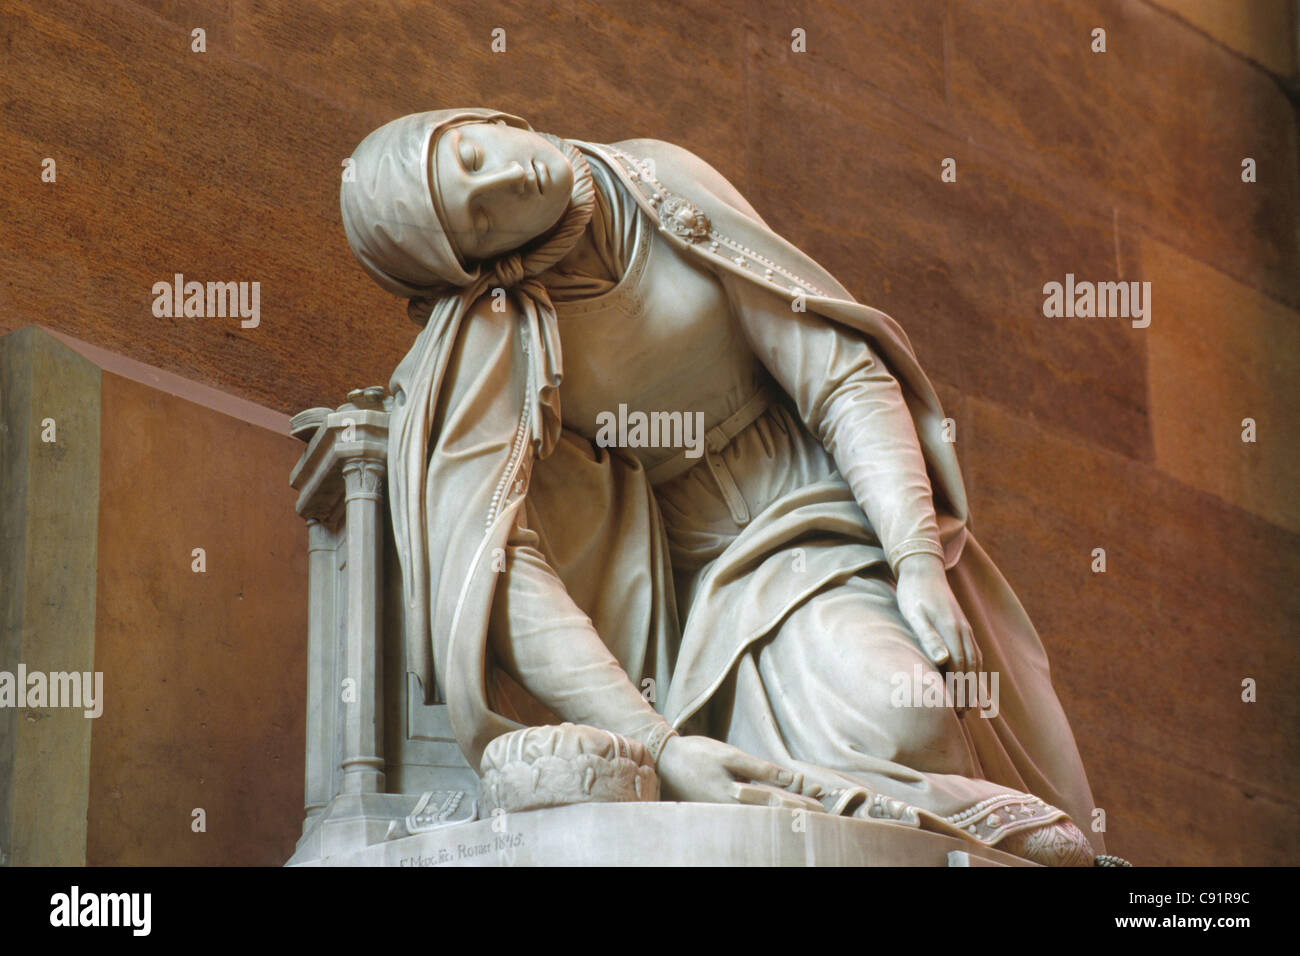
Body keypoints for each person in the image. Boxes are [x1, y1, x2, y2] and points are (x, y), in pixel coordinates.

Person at [340, 108, 1112, 866]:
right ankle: (977, 832)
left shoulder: (657, 180)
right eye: (478, 218)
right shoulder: (499, 330)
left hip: (836, 514)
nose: (509, 179)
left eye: (475, 155)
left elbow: (838, 371)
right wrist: (657, 744)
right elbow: (503, 570)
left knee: (908, 712)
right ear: (474, 266)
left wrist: (913, 559)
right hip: (707, 583)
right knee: (892, 730)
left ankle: (980, 828)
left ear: (489, 118)